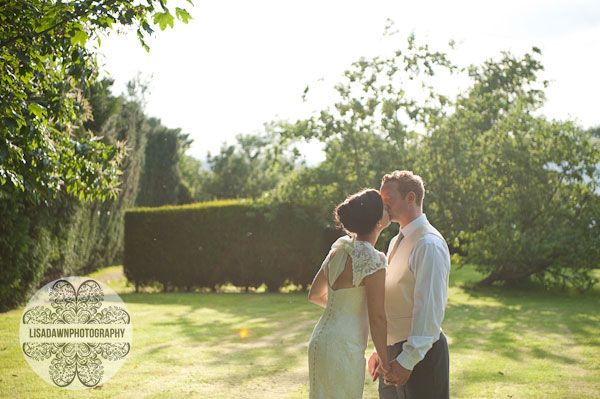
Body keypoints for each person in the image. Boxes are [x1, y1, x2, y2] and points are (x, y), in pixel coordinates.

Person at [368, 170, 451, 399]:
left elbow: (429, 310)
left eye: (388, 200)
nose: (383, 207)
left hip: (420, 356)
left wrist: (407, 361)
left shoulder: (428, 244)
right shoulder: (396, 240)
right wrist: (380, 350)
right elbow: (394, 298)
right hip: (392, 354)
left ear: (411, 198)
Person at [307, 188, 392, 399]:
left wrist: (346, 311)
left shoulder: (339, 250)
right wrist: (385, 362)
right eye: (384, 207)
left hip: (320, 341)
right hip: (344, 347)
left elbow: (315, 295)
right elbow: (377, 317)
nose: (388, 208)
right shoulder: (373, 259)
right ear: (378, 221)